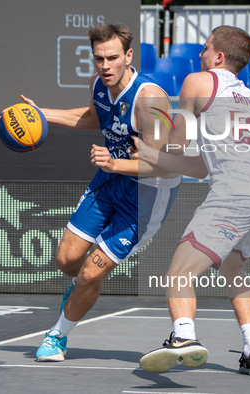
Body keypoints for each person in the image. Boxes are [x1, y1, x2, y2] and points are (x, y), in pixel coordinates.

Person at [17, 23, 180, 362]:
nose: (105, 66)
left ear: (128, 56)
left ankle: (58, 335)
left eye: (112, 58)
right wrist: (40, 114)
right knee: (67, 262)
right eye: (98, 59)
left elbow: (165, 164)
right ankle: (80, 291)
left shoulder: (151, 98)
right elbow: (94, 116)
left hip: (146, 195)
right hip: (109, 179)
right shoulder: (97, 84)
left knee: (91, 273)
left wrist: (114, 164)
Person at [131, 26, 250, 376]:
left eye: (205, 48)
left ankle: (184, 337)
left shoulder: (198, 81)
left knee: (178, 273)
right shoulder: (248, 95)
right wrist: (147, 154)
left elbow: (175, 144)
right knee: (233, 268)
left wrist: (149, 132)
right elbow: (200, 167)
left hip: (236, 191)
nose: (199, 54)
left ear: (218, 57)